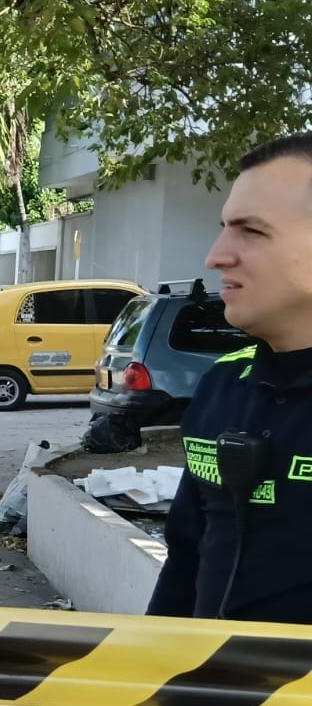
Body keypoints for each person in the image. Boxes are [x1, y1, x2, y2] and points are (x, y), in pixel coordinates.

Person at [148, 133, 312, 625]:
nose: (216, 255)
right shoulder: (222, 386)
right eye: (223, 228)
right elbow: (185, 559)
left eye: (252, 231)